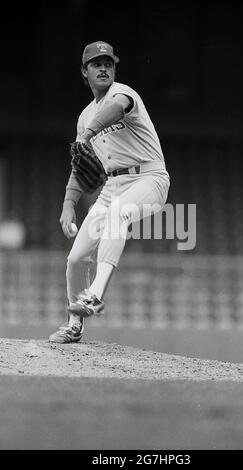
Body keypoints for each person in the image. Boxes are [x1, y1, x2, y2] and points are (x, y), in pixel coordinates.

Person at [49, 41, 170, 343]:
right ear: (84, 71)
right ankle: (74, 324)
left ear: (114, 69)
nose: (103, 68)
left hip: (149, 178)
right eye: (96, 63)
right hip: (112, 187)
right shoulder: (84, 116)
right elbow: (81, 165)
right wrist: (68, 203)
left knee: (119, 215)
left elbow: (116, 109)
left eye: (109, 63)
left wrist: (89, 134)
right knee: (76, 258)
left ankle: (94, 296)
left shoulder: (124, 94)